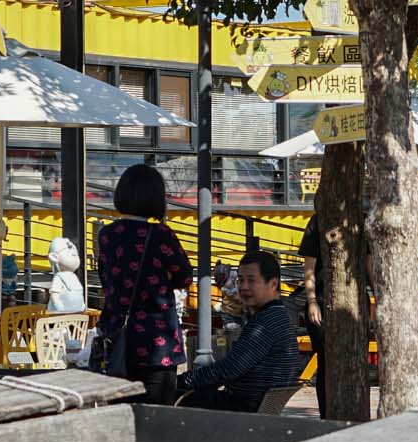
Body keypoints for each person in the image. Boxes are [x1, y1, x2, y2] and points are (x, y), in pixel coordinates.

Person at [90, 162, 188, 402]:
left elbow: (106, 278)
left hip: (117, 338)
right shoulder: (160, 234)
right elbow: (184, 276)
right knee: (157, 418)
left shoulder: (106, 235)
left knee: (121, 414)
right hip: (158, 342)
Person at [174, 250, 304, 413]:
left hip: (241, 410)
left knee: (169, 395)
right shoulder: (278, 316)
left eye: (251, 281)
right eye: (240, 280)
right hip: (250, 405)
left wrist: (181, 381)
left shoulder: (266, 323)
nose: (243, 287)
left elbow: (228, 370)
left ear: (273, 284)